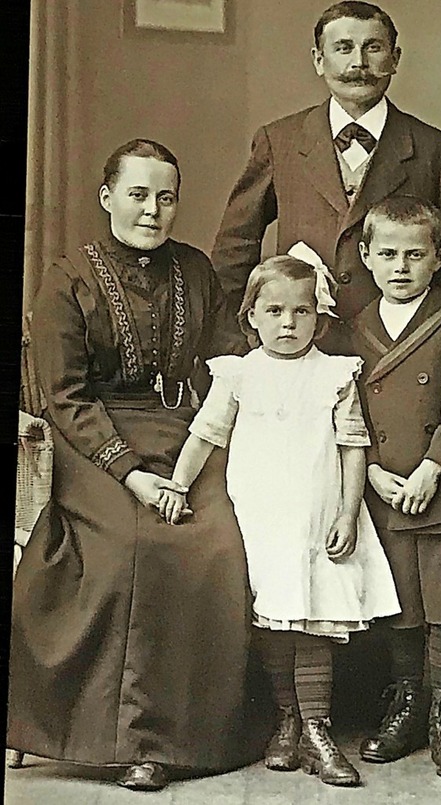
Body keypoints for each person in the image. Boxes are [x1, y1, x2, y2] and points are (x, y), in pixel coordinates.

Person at [7, 139, 265, 791]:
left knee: (218, 543)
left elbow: (228, 360)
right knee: (131, 543)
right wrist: (130, 472)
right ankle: (125, 740)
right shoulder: (67, 279)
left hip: (186, 434)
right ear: (108, 197)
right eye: (139, 194)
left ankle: (195, 736)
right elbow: (64, 395)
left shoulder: (198, 272)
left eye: (166, 197)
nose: (153, 210)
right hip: (94, 438)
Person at [160, 253, 401, 787]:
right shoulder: (239, 374)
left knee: (314, 619)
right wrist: (177, 483)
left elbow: (353, 447)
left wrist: (346, 512)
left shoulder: (335, 374)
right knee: (273, 619)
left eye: (302, 311)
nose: (288, 323)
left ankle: (318, 728)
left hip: (316, 518)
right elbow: (205, 435)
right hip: (260, 518)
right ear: (251, 316)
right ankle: (286, 720)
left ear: (319, 317)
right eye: (274, 311)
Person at [211, 1, 441, 346]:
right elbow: (235, 247)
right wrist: (238, 340)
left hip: (397, 345)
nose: (358, 64)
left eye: (373, 48)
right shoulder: (279, 140)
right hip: (302, 345)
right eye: (343, 48)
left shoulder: (438, 150)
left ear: (395, 58)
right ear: (319, 60)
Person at [350, 197, 441, 780]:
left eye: (415, 254)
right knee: (403, 605)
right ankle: (408, 707)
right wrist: (374, 472)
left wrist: (433, 468)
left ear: (440, 257)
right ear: (366, 256)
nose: (401, 266)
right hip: (386, 488)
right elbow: (348, 408)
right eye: (387, 254)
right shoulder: (352, 327)